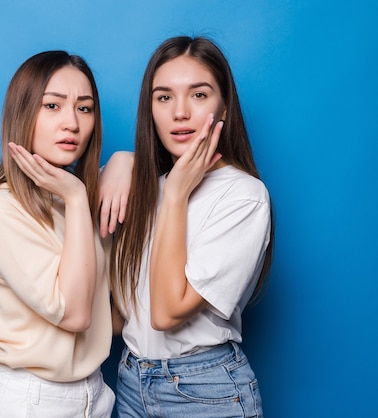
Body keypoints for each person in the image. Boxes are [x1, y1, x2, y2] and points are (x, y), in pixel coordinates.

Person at [108, 36, 274, 417]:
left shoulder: (244, 196)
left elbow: (166, 313)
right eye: (163, 97)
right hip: (131, 381)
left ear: (225, 107)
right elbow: (120, 315)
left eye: (198, 95)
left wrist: (177, 195)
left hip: (204, 391)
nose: (179, 112)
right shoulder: (140, 186)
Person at [0, 50, 116, 417]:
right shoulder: (0, 206)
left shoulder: (83, 200)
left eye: (84, 108)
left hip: (94, 396)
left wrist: (126, 162)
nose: (72, 123)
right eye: (52, 106)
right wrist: (78, 196)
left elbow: (115, 310)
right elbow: (76, 315)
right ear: (23, 113)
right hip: (28, 401)